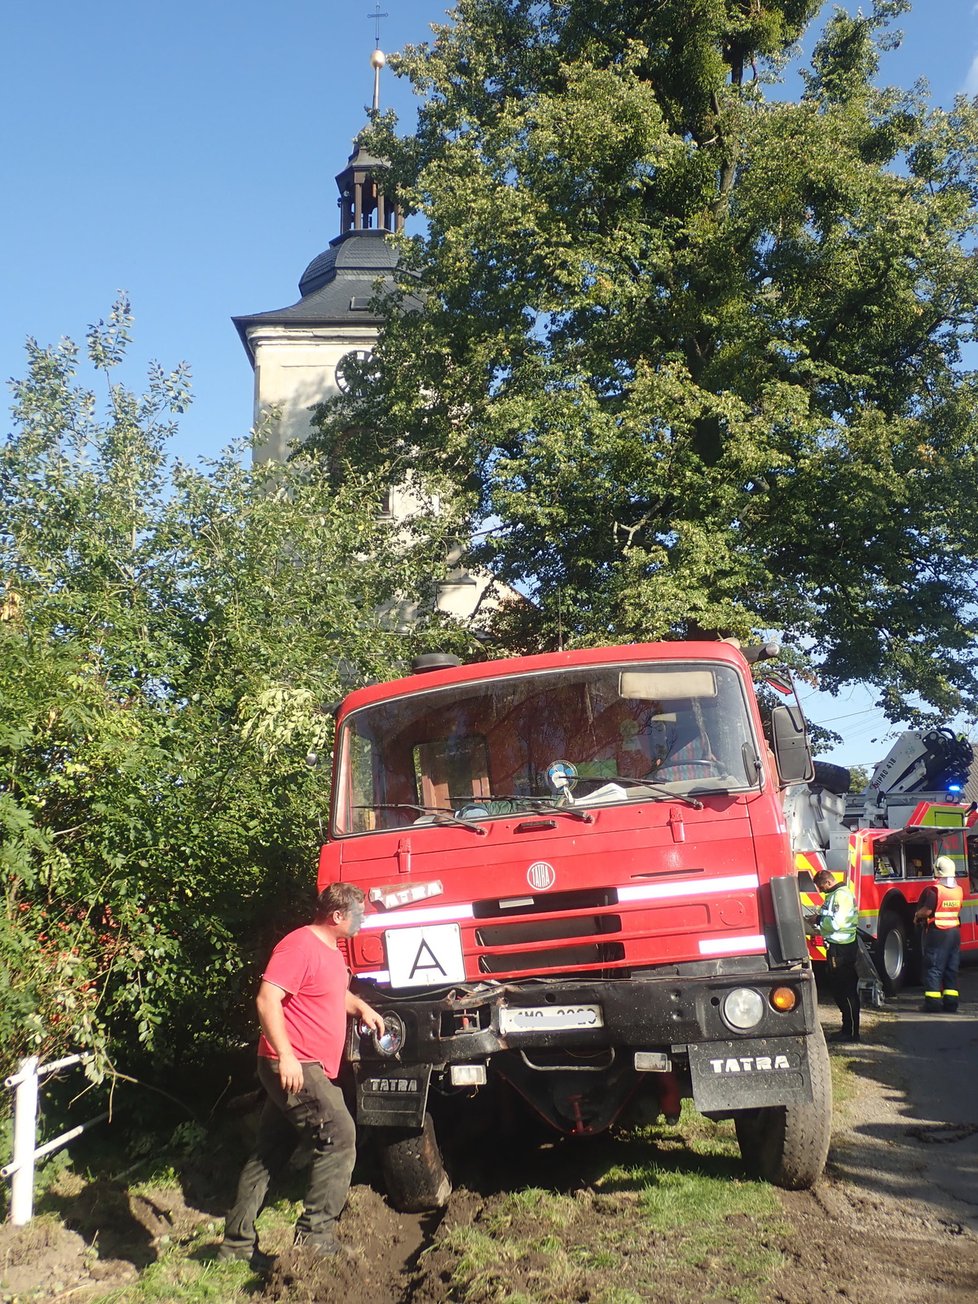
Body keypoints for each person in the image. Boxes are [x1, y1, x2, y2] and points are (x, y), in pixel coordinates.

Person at [219, 883, 384, 1268]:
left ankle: (235, 1245)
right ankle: (315, 1236)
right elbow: (267, 999)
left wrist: (360, 1007)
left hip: (303, 1064)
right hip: (294, 1065)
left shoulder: (330, 951)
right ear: (337, 916)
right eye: (359, 914)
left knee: (269, 1152)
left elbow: (328, 994)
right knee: (340, 1136)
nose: (363, 921)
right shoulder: (299, 945)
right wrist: (287, 1056)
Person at [811, 869, 860, 1043]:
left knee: (846, 991)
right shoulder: (836, 895)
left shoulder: (840, 896)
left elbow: (836, 923)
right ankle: (847, 1029)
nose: (820, 891)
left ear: (828, 883)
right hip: (838, 946)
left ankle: (851, 1032)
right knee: (839, 989)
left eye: (821, 887)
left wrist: (817, 922)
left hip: (842, 948)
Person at [914, 856, 964, 1013]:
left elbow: (927, 911)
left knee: (934, 967)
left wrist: (917, 915)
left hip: (939, 932)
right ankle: (951, 1004)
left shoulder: (936, 890)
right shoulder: (958, 890)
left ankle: (932, 1004)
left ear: (937, 871)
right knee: (951, 968)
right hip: (954, 932)